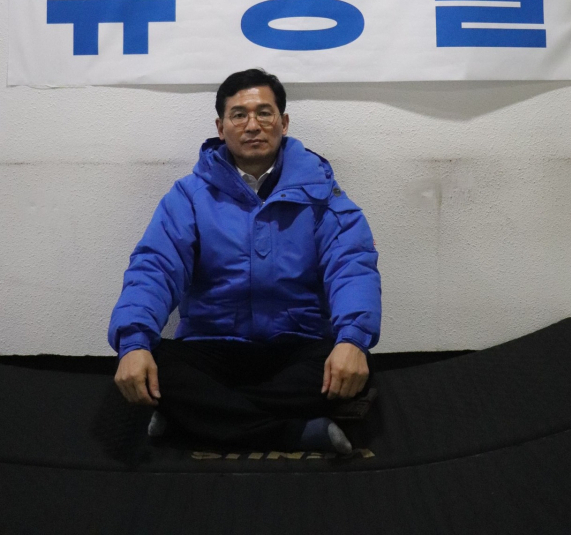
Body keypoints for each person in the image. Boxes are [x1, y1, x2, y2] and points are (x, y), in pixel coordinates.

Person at [108, 68, 381, 454]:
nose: (252, 125)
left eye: (264, 113)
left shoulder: (322, 195)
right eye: (239, 115)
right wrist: (134, 341)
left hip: (297, 346)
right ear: (221, 128)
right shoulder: (189, 196)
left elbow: (352, 266)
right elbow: (155, 267)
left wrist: (352, 339)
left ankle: (193, 419)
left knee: (353, 366)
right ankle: (294, 431)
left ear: (283, 123)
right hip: (210, 347)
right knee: (155, 365)